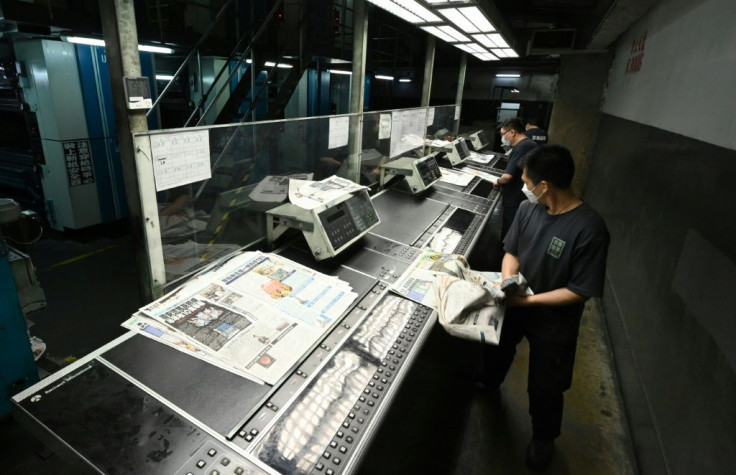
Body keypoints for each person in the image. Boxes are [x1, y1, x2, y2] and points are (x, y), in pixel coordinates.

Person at [483, 144, 610, 471]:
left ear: (544, 186)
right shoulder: (528, 211)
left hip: (553, 323)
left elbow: (579, 291)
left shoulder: (589, 229)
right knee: (498, 348)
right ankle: (487, 383)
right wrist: (509, 279)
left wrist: (529, 301)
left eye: (527, 181)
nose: (524, 186)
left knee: (545, 387)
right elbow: (511, 251)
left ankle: (543, 438)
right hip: (518, 304)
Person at [494, 118, 539, 239]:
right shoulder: (529, 143)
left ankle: (505, 252)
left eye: (503, 134)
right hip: (523, 195)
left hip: (515, 196)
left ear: (512, 132)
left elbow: (507, 177)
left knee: (510, 228)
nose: (502, 137)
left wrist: (498, 181)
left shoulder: (521, 148)